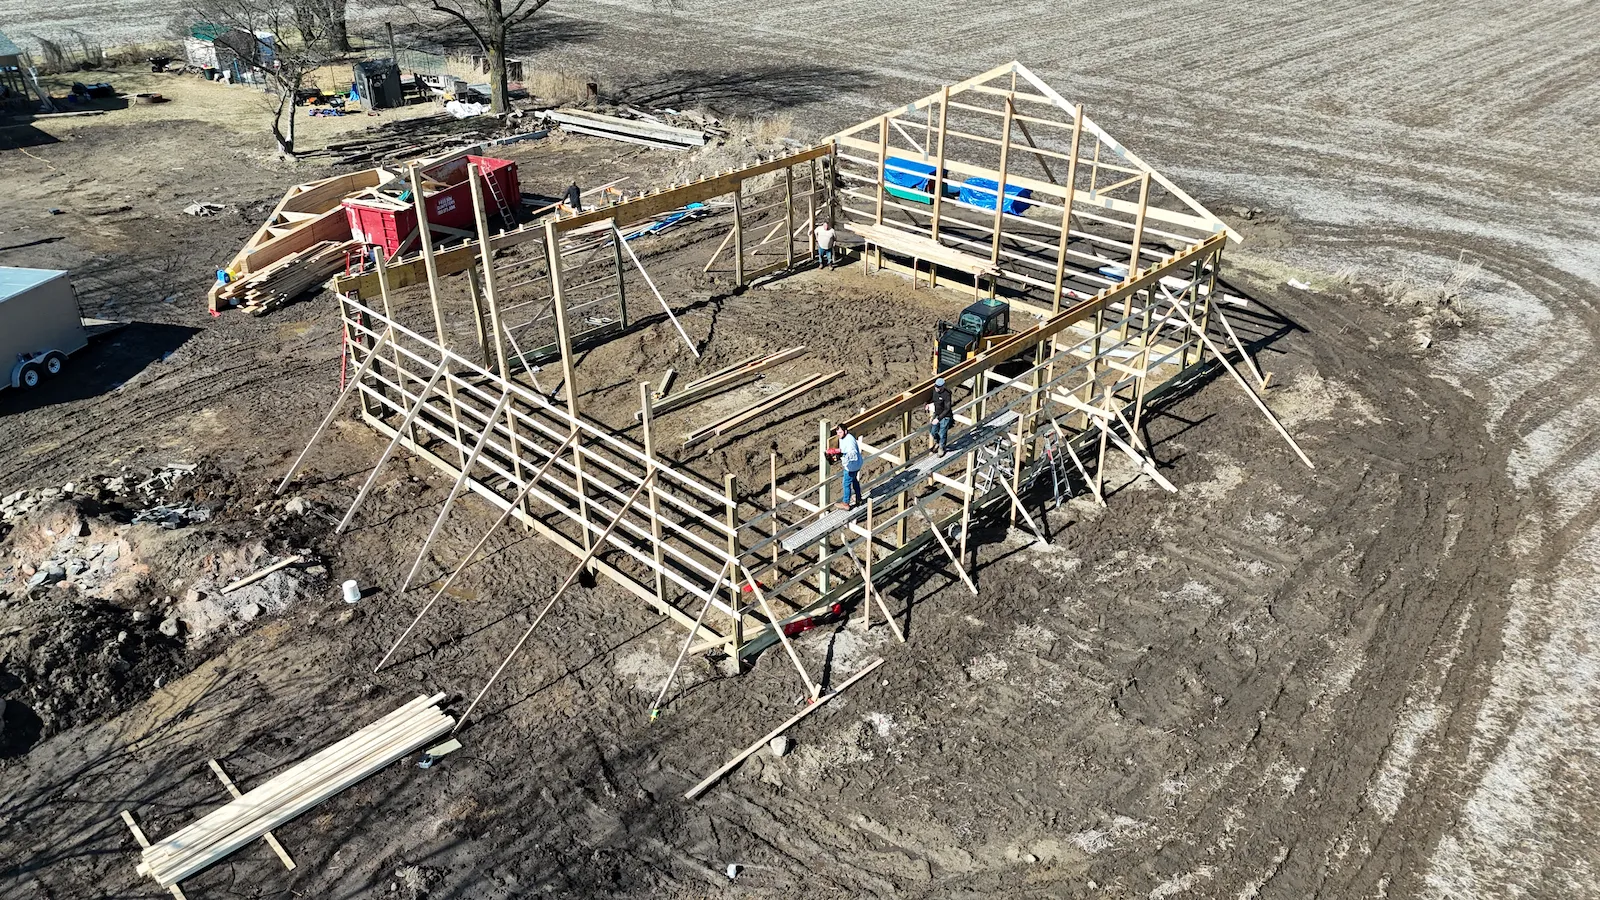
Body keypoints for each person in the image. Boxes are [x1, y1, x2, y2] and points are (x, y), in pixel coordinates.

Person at [834, 424, 864, 510]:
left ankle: (845, 503)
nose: (838, 434)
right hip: (857, 464)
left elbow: (852, 454)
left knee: (846, 484)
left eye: (840, 432)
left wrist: (843, 455)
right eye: (837, 432)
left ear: (845, 431)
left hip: (851, 466)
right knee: (854, 481)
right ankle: (858, 498)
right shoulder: (844, 438)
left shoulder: (850, 441)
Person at [929, 377, 953, 454]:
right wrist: (927, 403)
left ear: (942, 386)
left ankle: (941, 447)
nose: (936, 388)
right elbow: (932, 399)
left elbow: (947, 408)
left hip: (945, 416)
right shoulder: (934, 391)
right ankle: (938, 442)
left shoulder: (946, 394)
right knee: (933, 431)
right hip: (937, 414)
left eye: (938, 387)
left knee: (942, 433)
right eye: (936, 386)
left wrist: (938, 419)